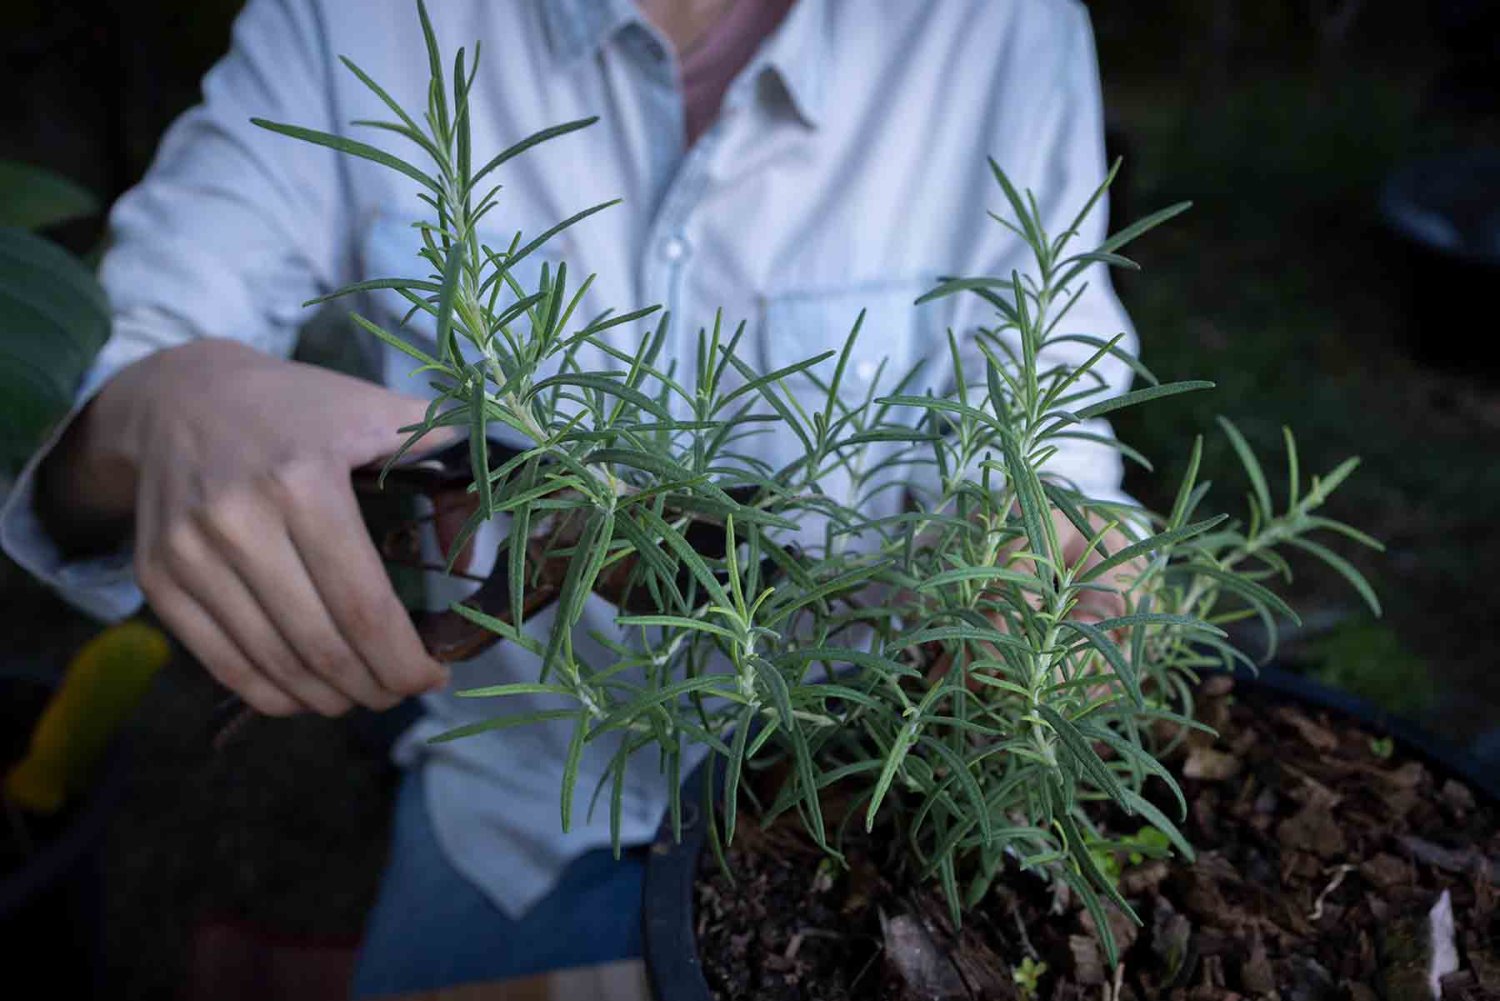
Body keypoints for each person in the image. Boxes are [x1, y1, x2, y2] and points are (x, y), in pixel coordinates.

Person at [0, 0, 1139, 994]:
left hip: (856, 798)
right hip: (518, 805)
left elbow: (1048, 418)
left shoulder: (1001, 25)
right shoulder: (355, 18)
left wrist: (1054, 551)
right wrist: (165, 403)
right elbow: (94, 388)